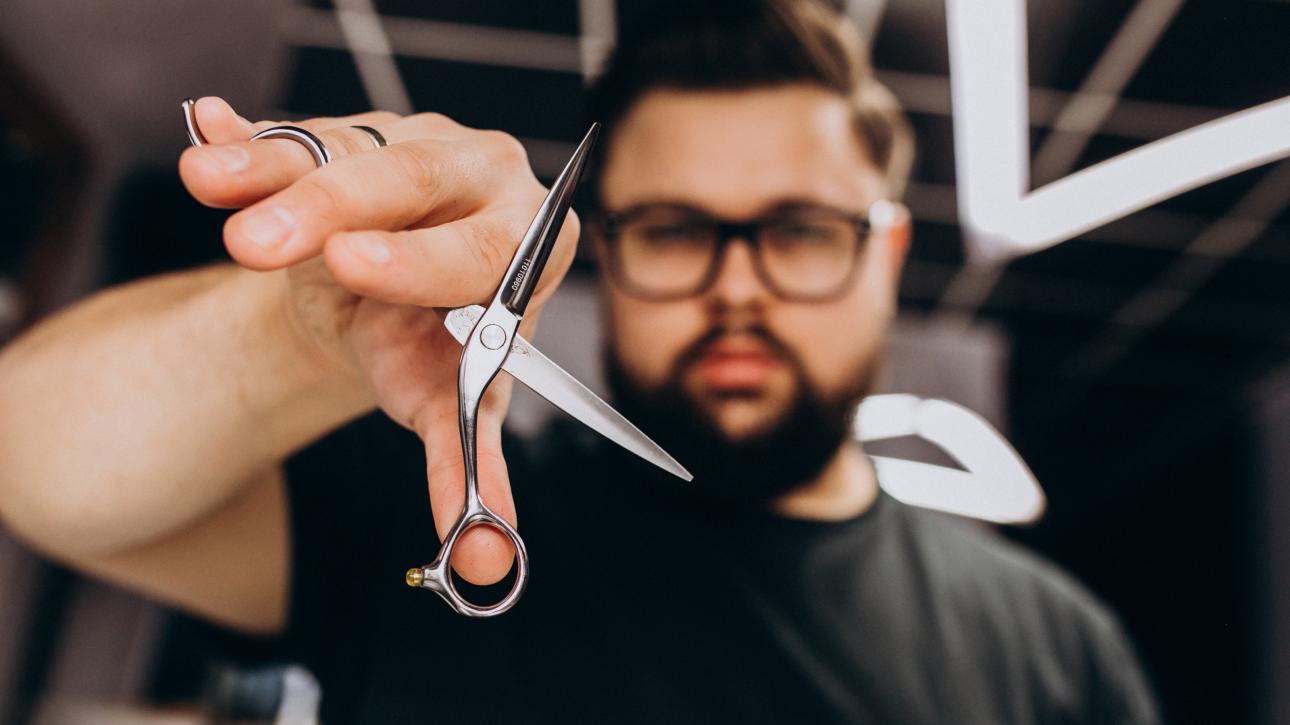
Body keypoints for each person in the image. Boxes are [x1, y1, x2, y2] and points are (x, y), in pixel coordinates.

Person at [0, 1, 1158, 722]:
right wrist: (306, 332)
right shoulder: (441, 501)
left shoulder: (1061, 652)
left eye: (801, 228)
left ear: (888, 251)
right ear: (605, 246)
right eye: (676, 228)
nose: (737, 285)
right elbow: (35, 466)